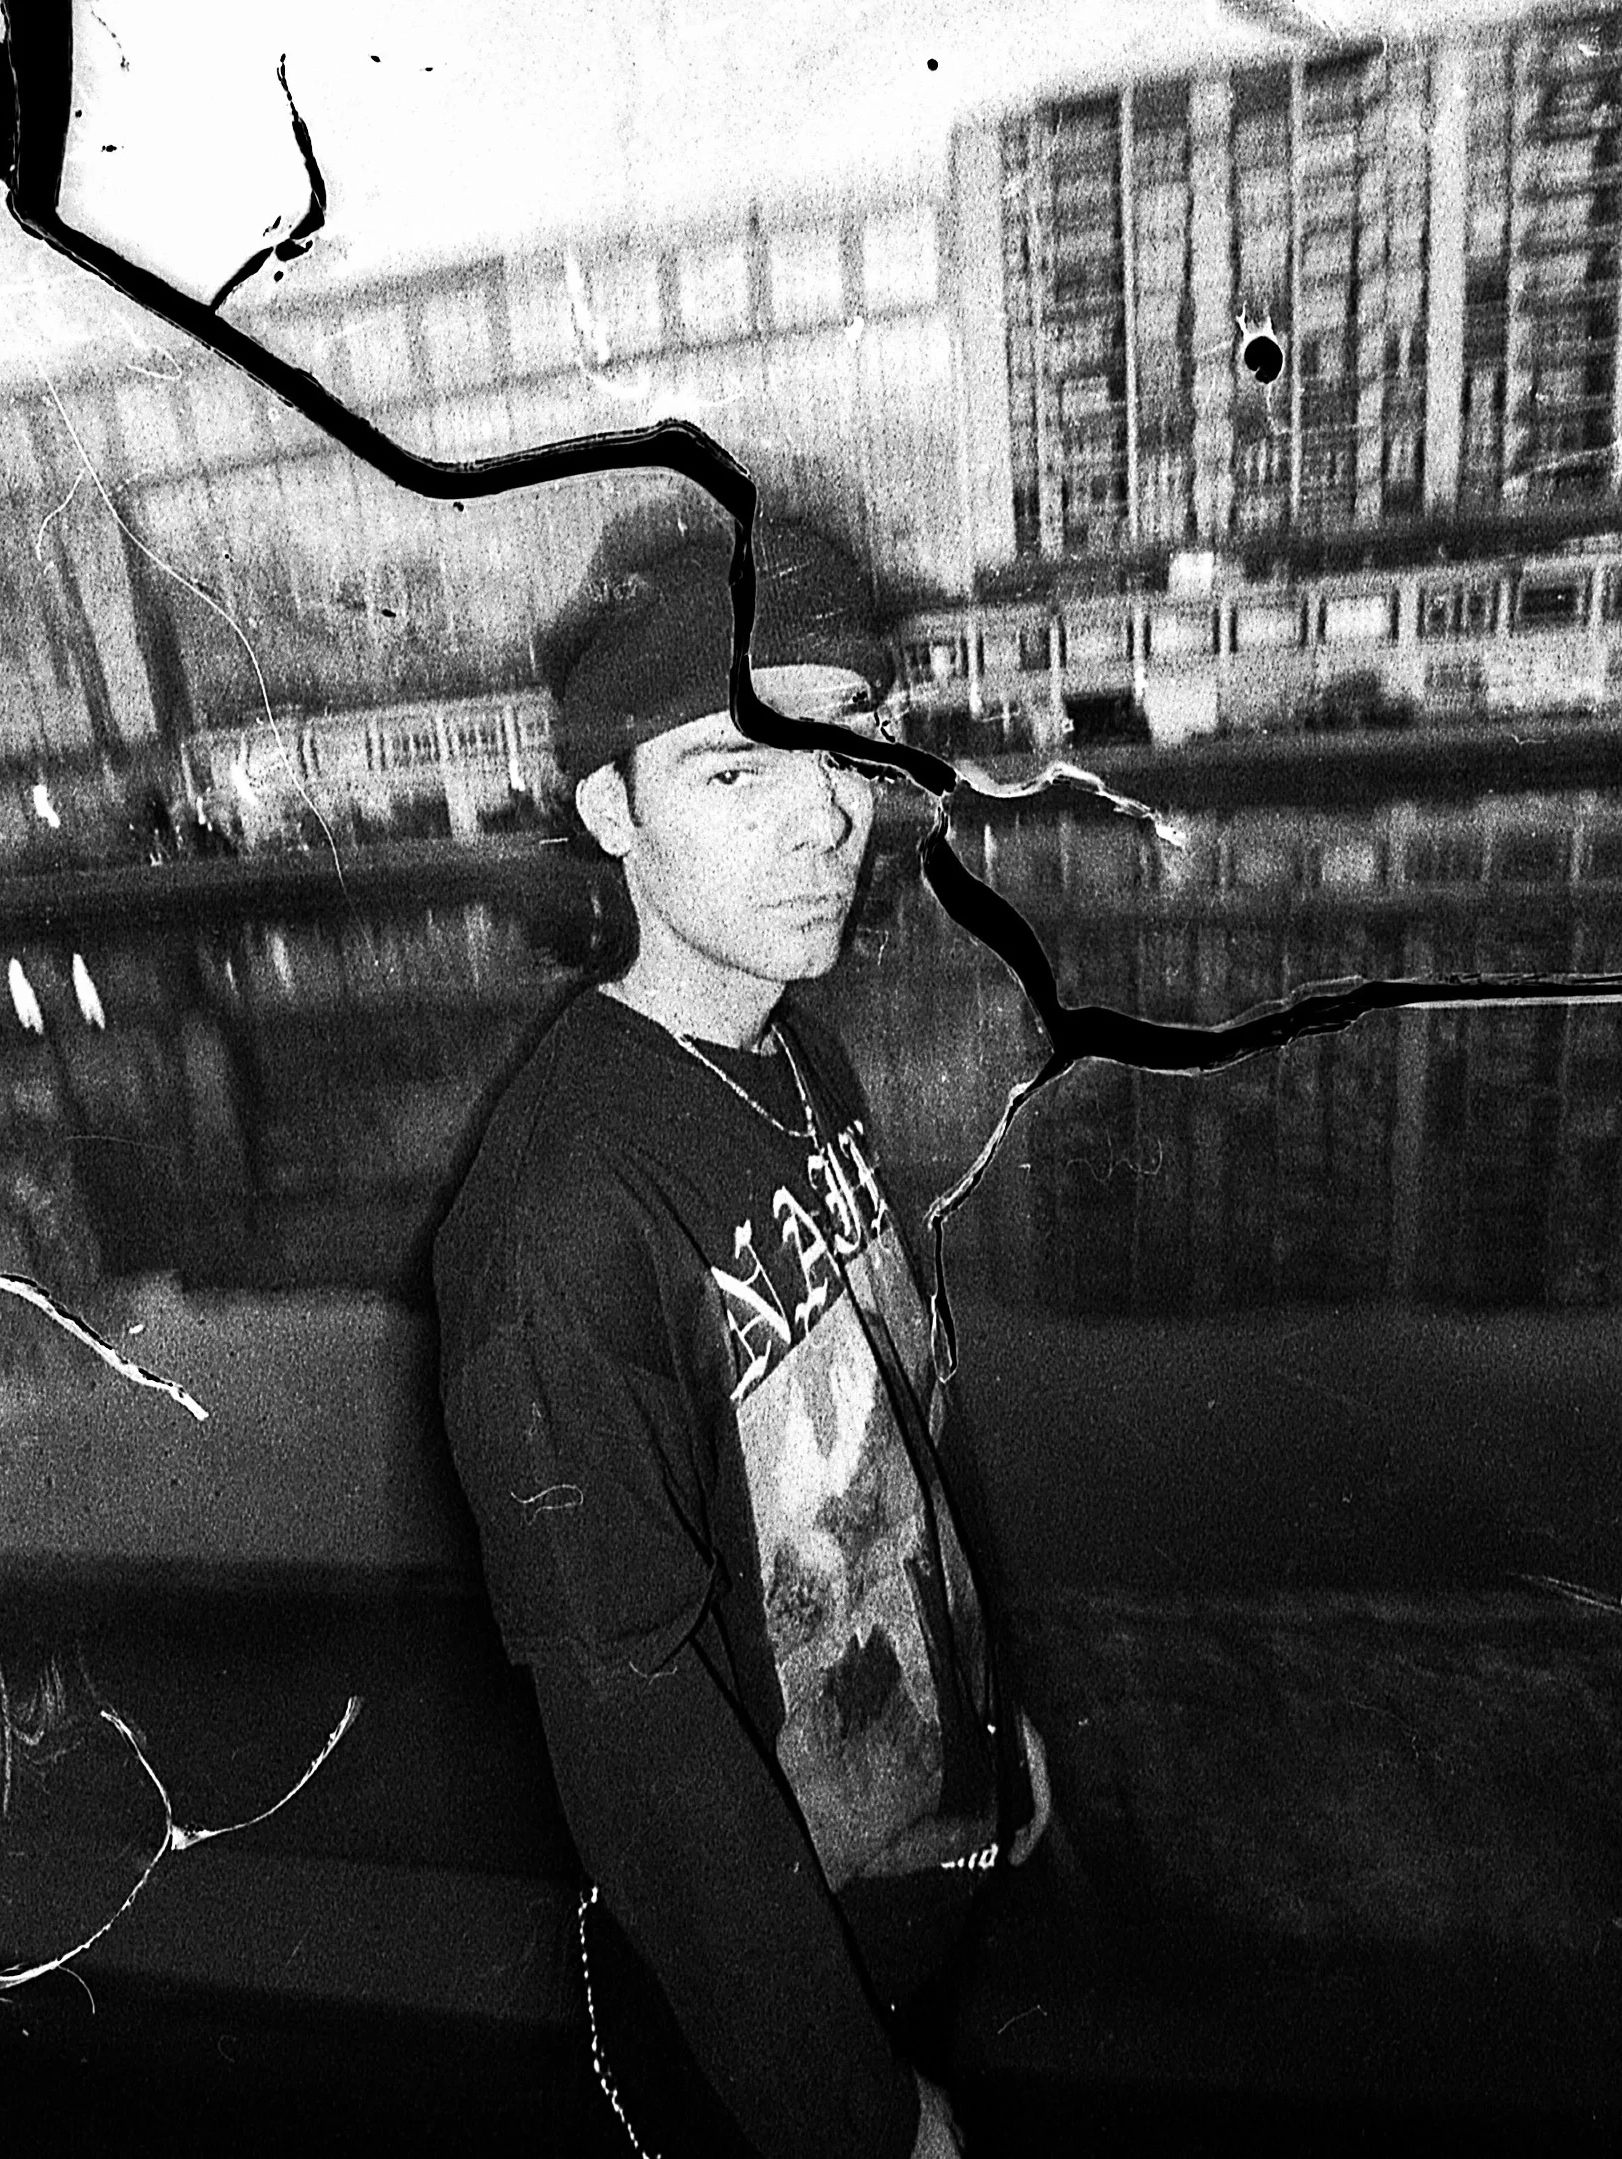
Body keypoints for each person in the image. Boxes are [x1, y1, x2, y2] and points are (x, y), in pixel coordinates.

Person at [433, 508, 1052, 2159]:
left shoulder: (798, 1053)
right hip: (772, 1999)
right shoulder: (561, 1225)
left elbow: (903, 1426)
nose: (825, 814)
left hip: (919, 1859)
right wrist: (854, 2118)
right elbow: (636, 1735)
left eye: (840, 742)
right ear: (609, 809)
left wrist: (991, 1716)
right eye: (732, 767)